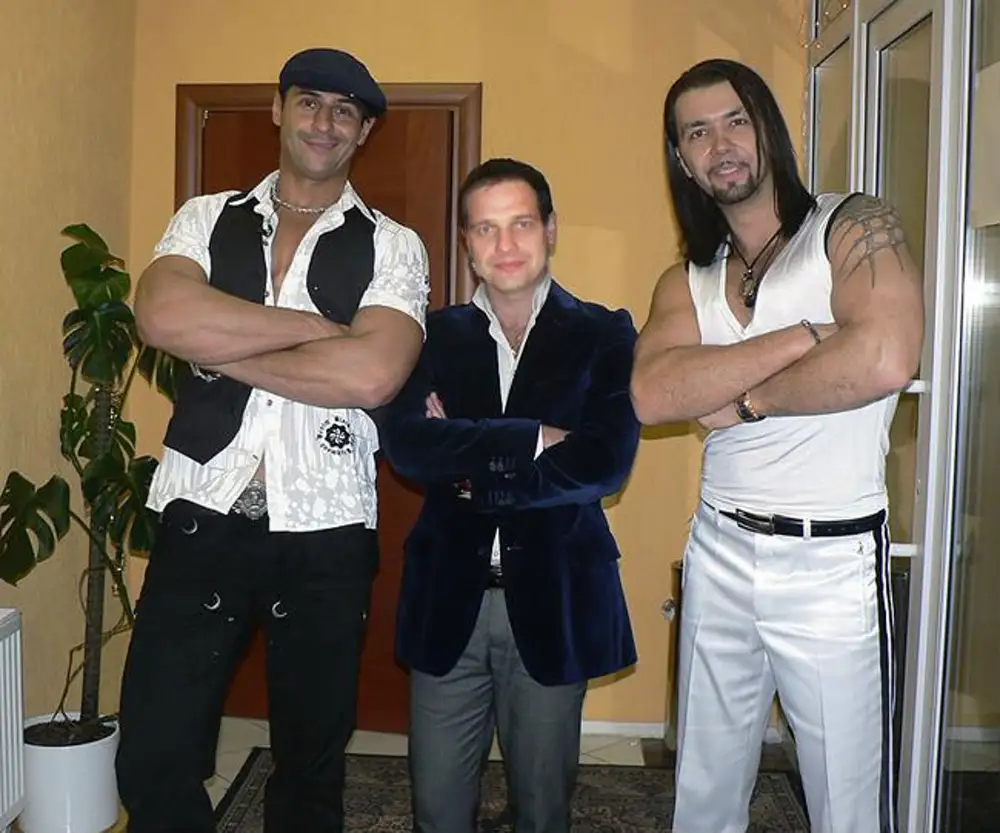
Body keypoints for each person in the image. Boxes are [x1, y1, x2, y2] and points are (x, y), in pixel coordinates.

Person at [115, 47, 430, 833]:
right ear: (279, 109)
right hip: (201, 511)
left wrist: (219, 345)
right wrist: (319, 332)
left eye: (345, 111)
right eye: (310, 101)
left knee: (310, 765)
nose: (325, 122)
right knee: (154, 752)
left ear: (363, 132)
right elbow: (160, 316)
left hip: (324, 529)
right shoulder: (203, 217)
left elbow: (372, 376)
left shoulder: (394, 244)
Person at [631, 59, 923, 833]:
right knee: (703, 794)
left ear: (768, 127)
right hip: (718, 551)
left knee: (847, 807)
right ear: (681, 158)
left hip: (832, 564)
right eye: (697, 132)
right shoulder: (687, 278)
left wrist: (745, 400)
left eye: (736, 120)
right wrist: (804, 335)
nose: (720, 144)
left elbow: (885, 356)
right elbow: (653, 394)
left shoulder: (850, 225)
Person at [379, 158, 640, 833]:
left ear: (550, 229)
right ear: (466, 243)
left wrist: (468, 460)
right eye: (485, 228)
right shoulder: (428, 337)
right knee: (436, 808)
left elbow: (605, 462)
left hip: (556, 598)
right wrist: (537, 437)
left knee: (544, 810)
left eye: (521, 223)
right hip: (448, 602)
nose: (505, 245)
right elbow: (409, 446)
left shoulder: (604, 332)